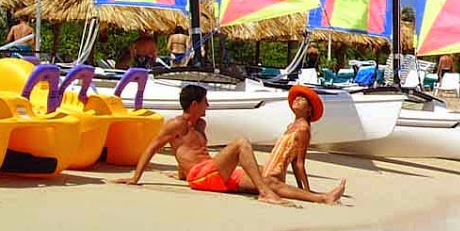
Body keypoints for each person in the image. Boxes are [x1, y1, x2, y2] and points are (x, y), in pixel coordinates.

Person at [117, 84, 340, 205]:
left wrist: (180, 173)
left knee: (269, 179)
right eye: (205, 102)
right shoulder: (176, 124)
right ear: (194, 104)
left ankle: (321, 198)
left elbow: (186, 152)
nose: (208, 105)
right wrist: (136, 177)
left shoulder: (201, 124)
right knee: (241, 143)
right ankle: (264, 194)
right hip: (201, 176)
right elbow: (153, 146)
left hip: (213, 172)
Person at [263, 86, 345, 205]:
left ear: (309, 109)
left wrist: (306, 191)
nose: (296, 99)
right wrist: (301, 188)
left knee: (267, 182)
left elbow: (299, 163)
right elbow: (294, 162)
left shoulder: (303, 129)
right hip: (266, 173)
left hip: (273, 176)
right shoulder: (290, 126)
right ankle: (317, 195)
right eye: (296, 98)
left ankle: (320, 196)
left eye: (302, 99)